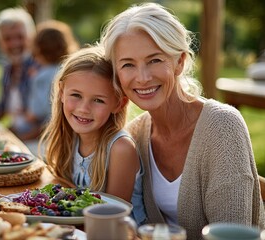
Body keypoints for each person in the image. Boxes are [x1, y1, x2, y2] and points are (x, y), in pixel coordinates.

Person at [100, 2, 265, 239]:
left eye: (155, 60)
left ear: (179, 61)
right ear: (116, 74)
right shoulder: (134, 135)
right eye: (128, 65)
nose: (143, 77)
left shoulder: (222, 126)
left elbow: (231, 233)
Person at [40, 45, 145, 225]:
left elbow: (111, 218)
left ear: (118, 104)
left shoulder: (120, 149)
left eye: (98, 100)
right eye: (76, 95)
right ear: (61, 92)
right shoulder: (69, 138)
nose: (83, 109)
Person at [21, 20, 79, 155]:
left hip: (47, 137)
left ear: (38, 49)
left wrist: (27, 114)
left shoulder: (41, 76)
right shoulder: (69, 71)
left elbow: (36, 112)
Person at [0, 7, 38, 138]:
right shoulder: (7, 69)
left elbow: (51, 118)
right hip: (16, 137)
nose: (14, 43)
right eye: (7, 38)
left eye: (20, 37)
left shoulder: (41, 68)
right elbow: (1, 108)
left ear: (31, 37)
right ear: (0, 43)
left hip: (38, 142)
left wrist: (19, 139)